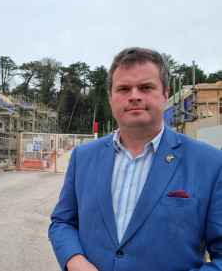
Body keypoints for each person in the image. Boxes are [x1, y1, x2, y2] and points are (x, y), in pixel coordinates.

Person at [49, 47, 222, 271]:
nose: (134, 96)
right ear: (110, 98)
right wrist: (75, 261)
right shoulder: (83, 156)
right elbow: (62, 222)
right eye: (123, 89)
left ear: (165, 94)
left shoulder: (210, 163)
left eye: (146, 87)